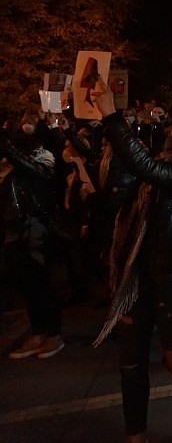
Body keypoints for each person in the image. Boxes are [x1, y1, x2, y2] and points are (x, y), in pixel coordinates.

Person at [91, 81, 172, 443]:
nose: (170, 130)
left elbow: (148, 170)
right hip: (138, 276)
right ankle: (136, 433)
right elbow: (134, 174)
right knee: (130, 363)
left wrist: (112, 116)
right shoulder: (162, 158)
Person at [1, 121, 64, 360]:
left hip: (34, 230)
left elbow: (35, 172)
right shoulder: (10, 169)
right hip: (14, 231)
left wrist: (8, 148)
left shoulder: (43, 161)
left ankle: (54, 335)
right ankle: (38, 333)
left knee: (42, 283)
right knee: (27, 285)